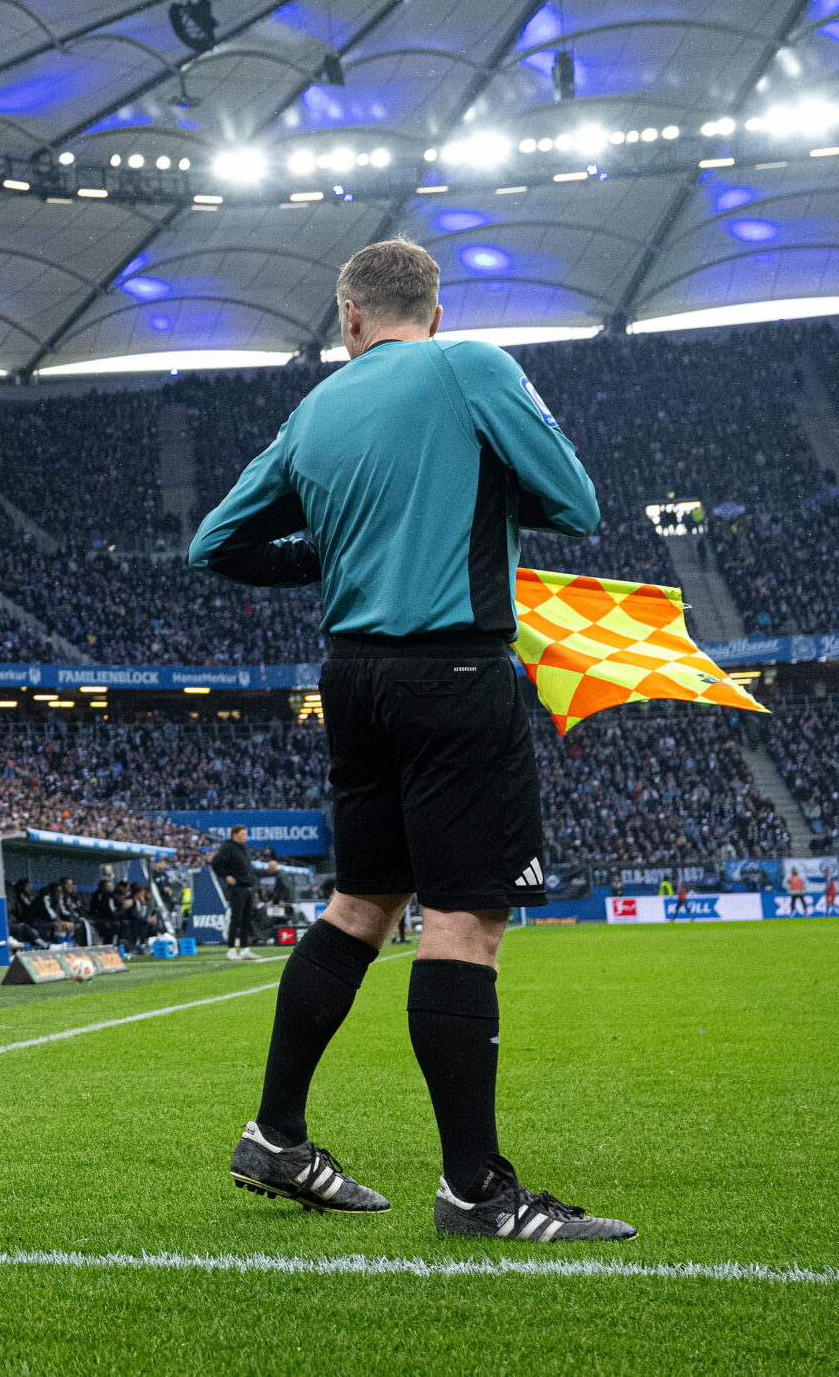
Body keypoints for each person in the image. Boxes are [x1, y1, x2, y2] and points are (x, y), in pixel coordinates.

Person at [191, 237, 632, 1241]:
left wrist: (345, 547)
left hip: (350, 682)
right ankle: (475, 1192)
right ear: (432, 313)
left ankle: (276, 1135)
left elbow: (213, 543)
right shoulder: (469, 365)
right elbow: (575, 504)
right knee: (463, 926)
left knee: (360, 903)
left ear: (346, 318)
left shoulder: (314, 409)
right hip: (454, 674)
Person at [212, 824, 259, 961]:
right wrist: (226, 876)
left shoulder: (243, 849)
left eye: (245, 834)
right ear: (235, 835)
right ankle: (231, 949)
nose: (245, 837)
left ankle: (245, 949)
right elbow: (216, 863)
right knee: (236, 918)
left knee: (246, 919)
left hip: (247, 888)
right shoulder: (228, 847)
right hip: (237, 887)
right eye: (243, 834)